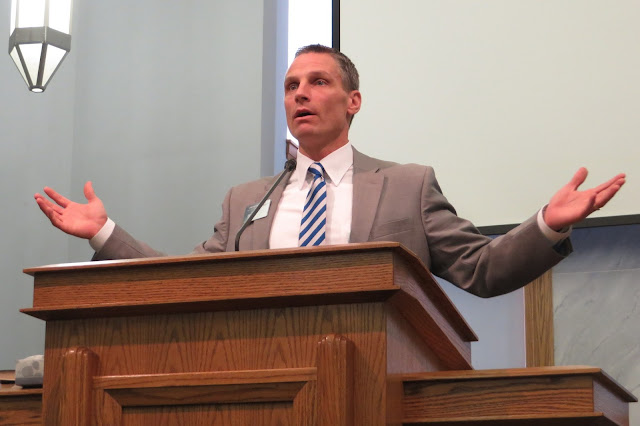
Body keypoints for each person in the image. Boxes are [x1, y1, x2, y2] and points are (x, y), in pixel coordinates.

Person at [34, 44, 626, 297]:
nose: (301, 93)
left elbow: (482, 270)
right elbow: (187, 283)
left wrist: (547, 224)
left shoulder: (407, 185)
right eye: (291, 85)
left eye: (318, 82)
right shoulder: (245, 200)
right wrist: (104, 234)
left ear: (353, 101)